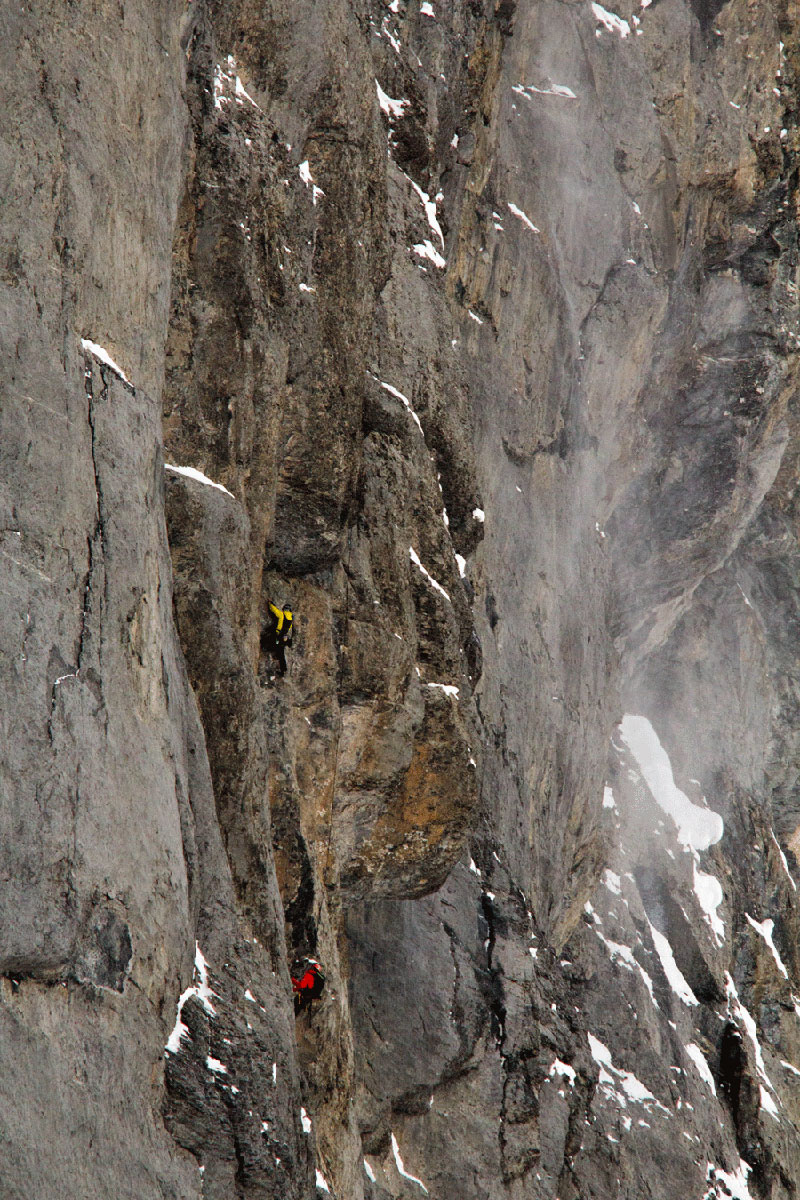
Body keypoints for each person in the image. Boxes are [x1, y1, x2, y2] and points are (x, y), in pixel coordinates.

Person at [262, 602, 293, 676]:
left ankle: (283, 670)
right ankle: (283, 670)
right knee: (281, 653)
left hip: (278, 635)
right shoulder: (291, 618)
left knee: (269, 642)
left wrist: (270, 604)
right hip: (284, 636)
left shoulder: (282, 615)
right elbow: (290, 627)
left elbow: (274, 610)